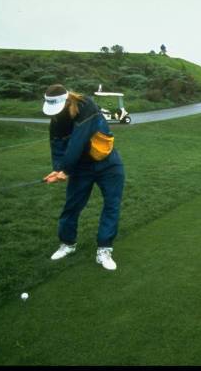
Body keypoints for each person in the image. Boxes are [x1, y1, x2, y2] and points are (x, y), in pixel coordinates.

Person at [42, 84, 125, 271]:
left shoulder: (86, 106)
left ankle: (104, 249)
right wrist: (57, 170)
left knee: (111, 204)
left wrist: (66, 169)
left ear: (66, 100)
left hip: (108, 163)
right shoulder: (56, 121)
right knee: (72, 206)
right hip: (81, 168)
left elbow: (77, 142)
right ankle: (67, 244)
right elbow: (56, 148)